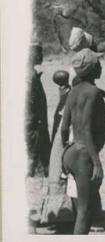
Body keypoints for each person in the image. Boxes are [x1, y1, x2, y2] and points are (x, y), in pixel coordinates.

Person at [61, 48, 105, 234]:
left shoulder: (73, 92)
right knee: (84, 211)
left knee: (82, 207)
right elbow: (87, 129)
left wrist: (65, 149)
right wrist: (96, 163)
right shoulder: (93, 92)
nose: (101, 67)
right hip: (83, 156)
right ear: (93, 69)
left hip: (72, 153)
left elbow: (64, 127)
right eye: (98, 64)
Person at [40, 70, 75, 229]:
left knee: (59, 171)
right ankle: (63, 213)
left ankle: (61, 212)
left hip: (59, 135)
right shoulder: (68, 92)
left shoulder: (65, 93)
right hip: (62, 135)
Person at [26, 43, 51, 178]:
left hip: (37, 128)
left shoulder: (32, 75)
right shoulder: (30, 78)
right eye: (38, 52)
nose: (41, 56)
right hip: (35, 129)